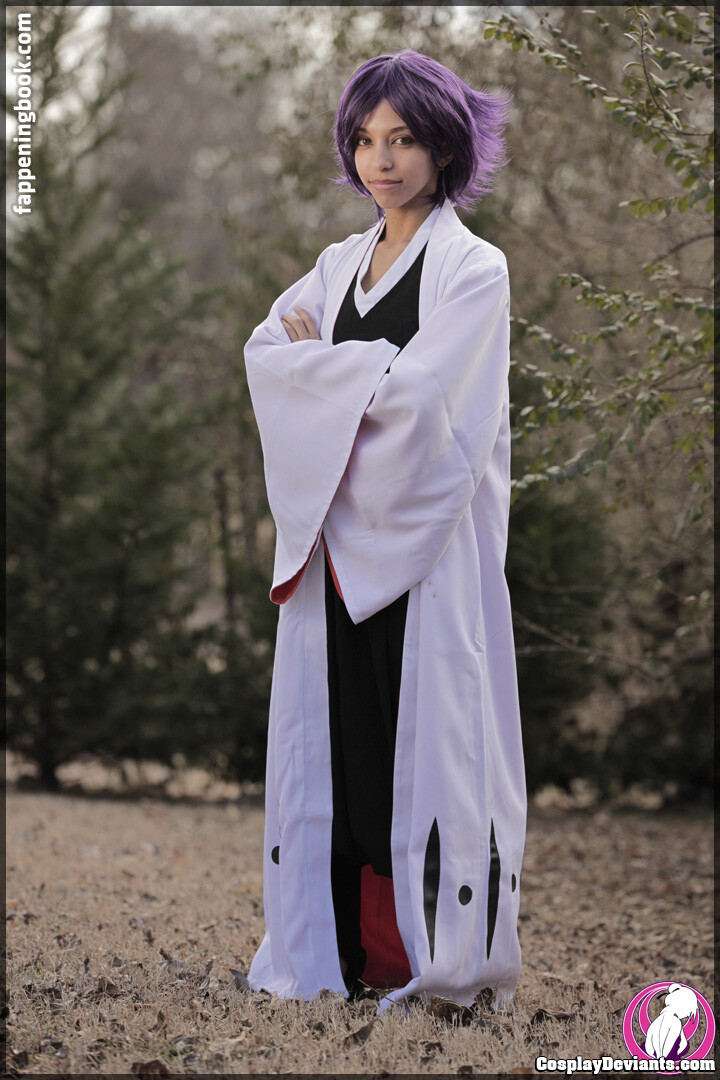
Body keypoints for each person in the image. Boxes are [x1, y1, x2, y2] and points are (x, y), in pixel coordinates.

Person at [243, 49, 526, 1015]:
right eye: (366, 141)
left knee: (432, 750)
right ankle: (349, 953)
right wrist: (361, 374)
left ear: (444, 147)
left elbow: (429, 408)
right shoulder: (335, 267)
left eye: (404, 139)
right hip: (336, 557)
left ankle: (432, 960)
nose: (383, 160)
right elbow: (268, 360)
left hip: (426, 553)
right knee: (343, 750)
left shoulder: (473, 270)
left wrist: (328, 371)